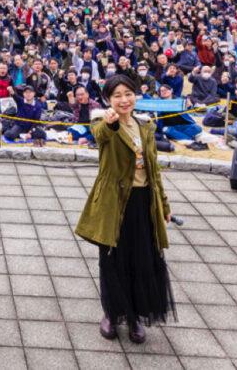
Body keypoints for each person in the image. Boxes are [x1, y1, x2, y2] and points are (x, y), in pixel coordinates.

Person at [74, 74, 175, 344]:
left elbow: (154, 170)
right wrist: (110, 123)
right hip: (114, 203)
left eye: (128, 94)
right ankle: (112, 312)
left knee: (142, 259)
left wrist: (164, 204)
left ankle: (135, 317)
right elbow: (100, 136)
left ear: (135, 96)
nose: (123, 100)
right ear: (108, 99)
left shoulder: (146, 126)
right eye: (117, 95)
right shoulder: (103, 121)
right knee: (112, 260)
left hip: (143, 202)